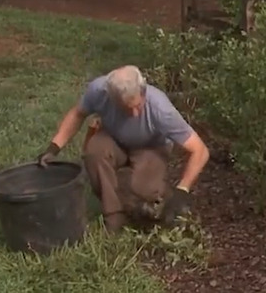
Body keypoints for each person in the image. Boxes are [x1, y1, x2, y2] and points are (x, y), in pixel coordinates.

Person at [36, 65, 210, 233]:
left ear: (144, 92)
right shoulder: (98, 91)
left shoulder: (160, 108)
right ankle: (114, 215)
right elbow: (77, 114)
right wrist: (54, 147)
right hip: (114, 139)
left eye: (138, 106)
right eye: (127, 108)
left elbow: (200, 150)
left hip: (151, 146)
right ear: (111, 98)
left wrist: (183, 190)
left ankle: (151, 197)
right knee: (94, 152)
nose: (135, 114)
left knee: (146, 193)